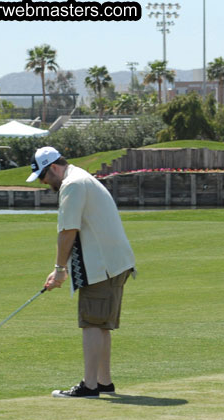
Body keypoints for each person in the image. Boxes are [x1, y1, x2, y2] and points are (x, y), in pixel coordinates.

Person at [26, 146, 136, 398]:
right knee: (100, 324)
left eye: (44, 177)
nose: (44, 183)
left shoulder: (72, 184)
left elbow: (68, 231)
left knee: (91, 323)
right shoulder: (81, 177)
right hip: (114, 262)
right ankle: (103, 381)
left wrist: (59, 269)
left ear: (54, 167)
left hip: (101, 265)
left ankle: (90, 385)